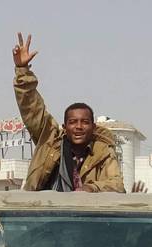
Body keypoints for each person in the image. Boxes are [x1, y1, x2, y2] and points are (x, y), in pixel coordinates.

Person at [12, 33, 126, 193]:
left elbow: (117, 185)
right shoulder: (50, 141)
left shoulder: (103, 152)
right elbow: (31, 108)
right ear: (65, 127)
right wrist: (22, 71)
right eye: (73, 122)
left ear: (93, 126)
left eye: (85, 122)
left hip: (86, 215)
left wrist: (90, 188)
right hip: (42, 213)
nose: (79, 127)